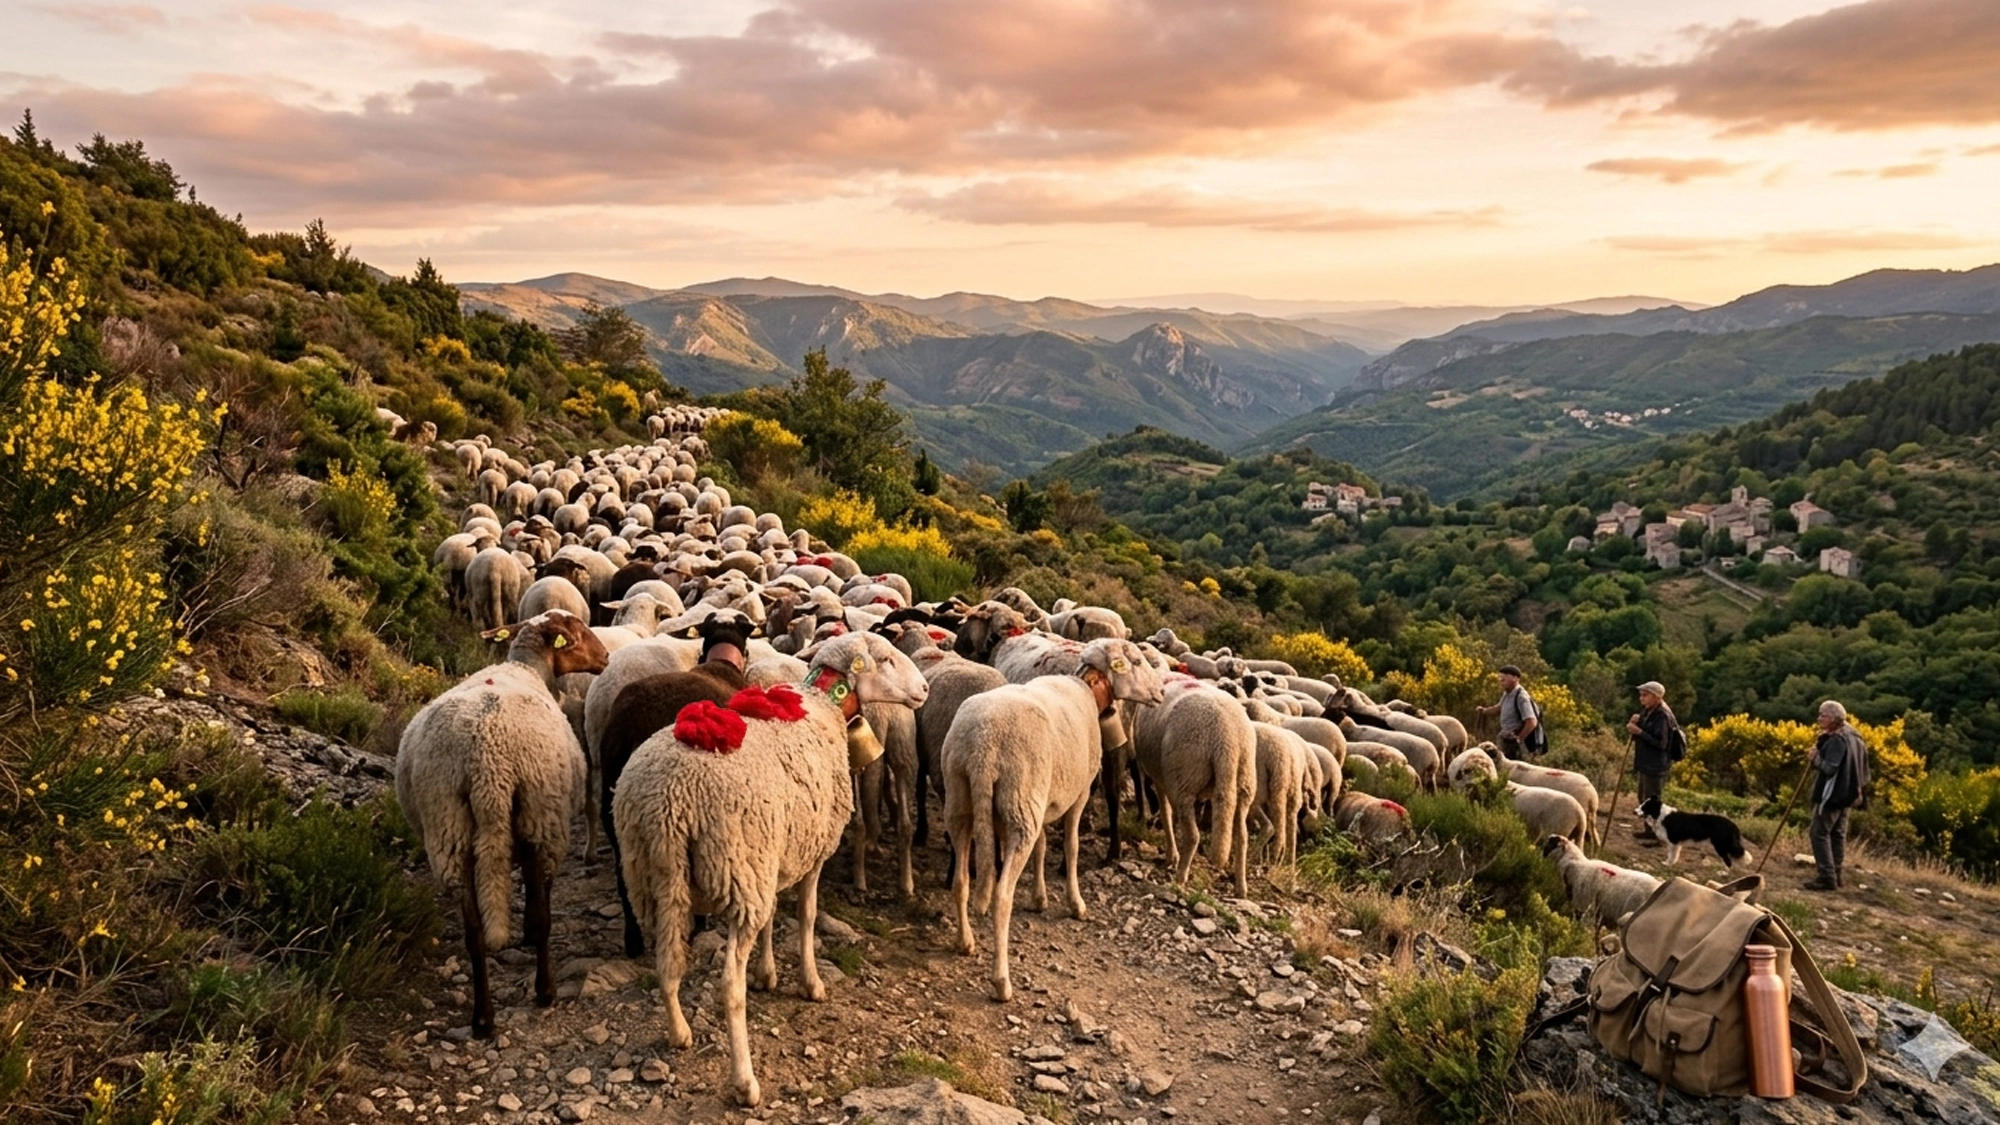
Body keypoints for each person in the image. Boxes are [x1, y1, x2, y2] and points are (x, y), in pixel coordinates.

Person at [1804, 700, 1870, 892]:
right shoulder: (1854, 734)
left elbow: (1830, 768)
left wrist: (1815, 758)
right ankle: (1836, 874)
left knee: (1818, 832)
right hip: (1849, 793)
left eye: (1822, 715)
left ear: (1834, 719)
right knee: (1837, 834)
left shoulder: (1837, 740)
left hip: (1833, 795)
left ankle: (1826, 878)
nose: (1819, 719)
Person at [1625, 681, 1681, 843]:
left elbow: (1661, 743)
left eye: (1645, 695)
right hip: (1646, 763)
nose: (1641, 698)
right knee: (1643, 798)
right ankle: (1649, 830)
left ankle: (1659, 836)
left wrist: (1639, 731)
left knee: (1652, 801)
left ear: (1656, 697)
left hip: (1655, 765)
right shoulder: (1650, 711)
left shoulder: (1662, 715)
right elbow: (1642, 735)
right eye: (1641, 695)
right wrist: (1635, 724)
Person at [1477, 665, 1538, 761]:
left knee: (1515, 771)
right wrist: (1484, 711)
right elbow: (1499, 708)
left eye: (1504, 679)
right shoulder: (1507, 693)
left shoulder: (1521, 697)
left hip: (1516, 744)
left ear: (1515, 678)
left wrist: (1518, 739)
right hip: (1506, 739)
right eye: (1500, 679)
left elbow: (1532, 722)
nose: (1501, 681)